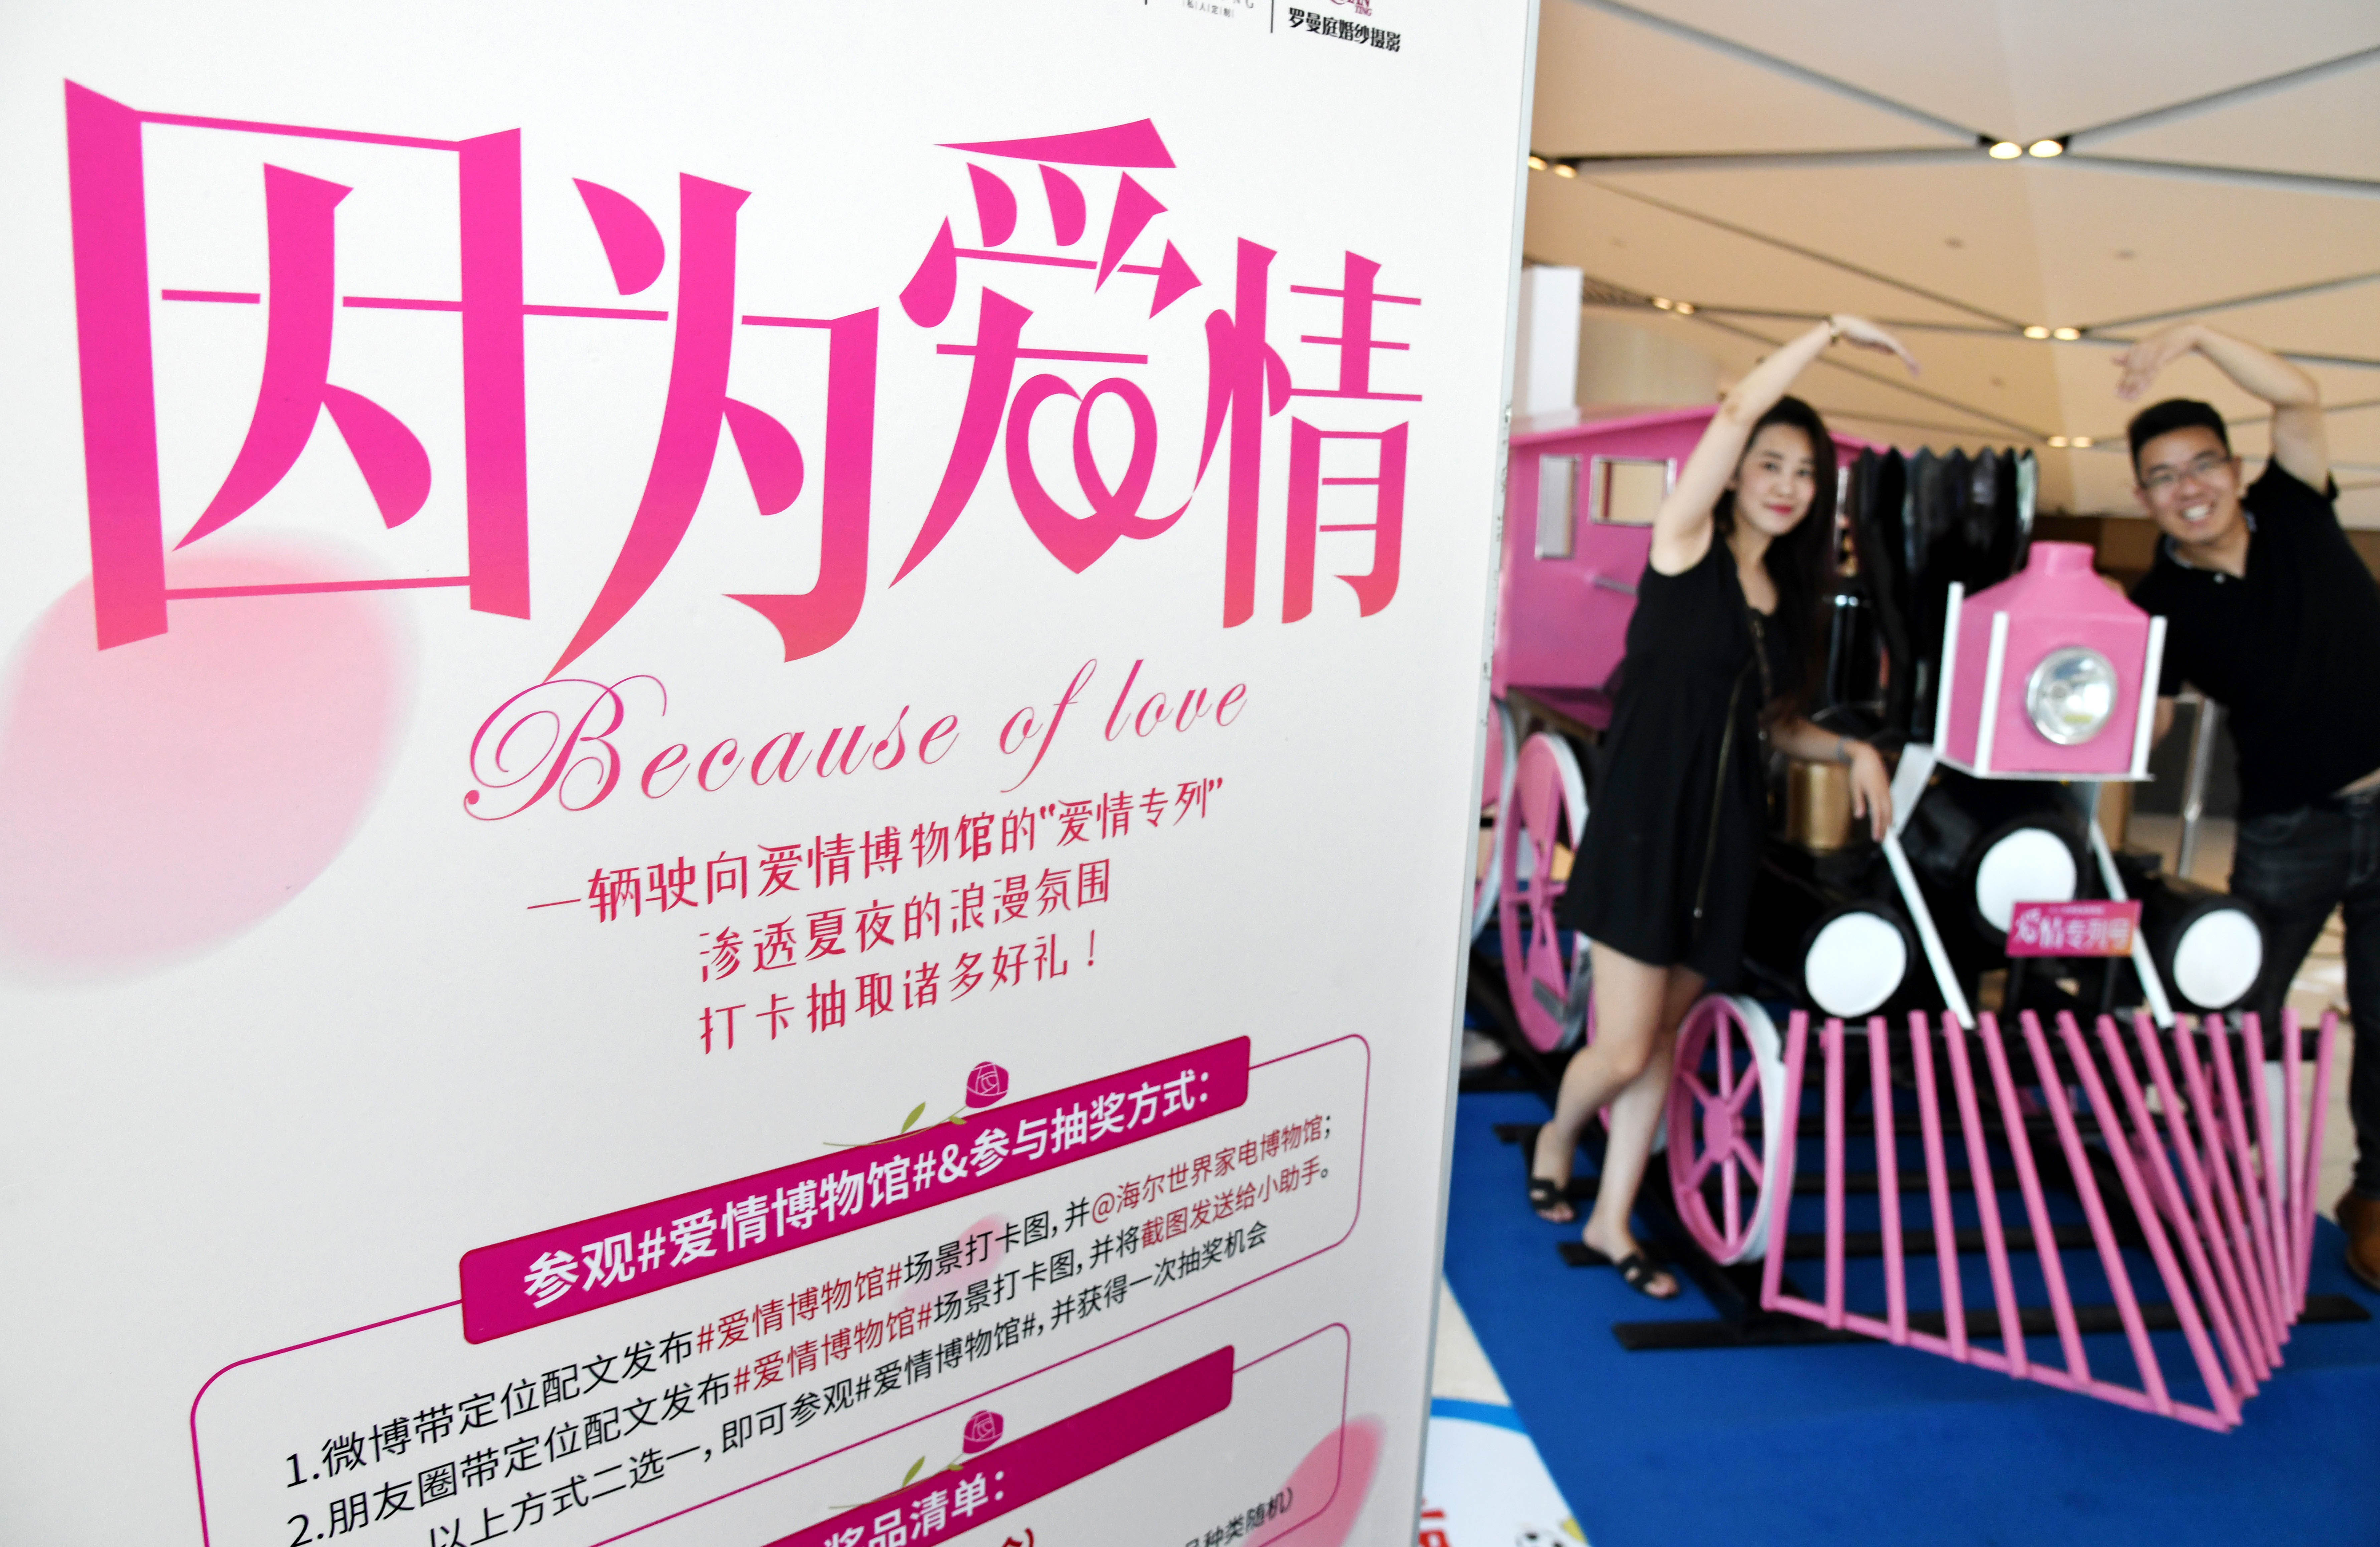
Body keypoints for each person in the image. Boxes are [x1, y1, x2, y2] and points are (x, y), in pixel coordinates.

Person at [1525, 315, 1910, 1297]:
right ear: (1733, 472)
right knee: (1621, 1047)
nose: (1786, 485)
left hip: (1725, 839)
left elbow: (1774, 725)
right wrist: (1827, 332)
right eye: (1770, 464)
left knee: (1659, 1040)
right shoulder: (1684, 545)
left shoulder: (1788, 597)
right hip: (1645, 825)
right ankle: (1558, 1133)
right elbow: (1737, 409)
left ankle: (1613, 1221)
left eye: (1806, 473)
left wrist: (1852, 748)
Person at [2116, 322, 2380, 1292]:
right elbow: (2145, 723)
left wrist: (2194, 336)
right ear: (2143, 498)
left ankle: (2374, 1197)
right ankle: (2218, 1183)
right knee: (2239, 1016)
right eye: (2162, 478)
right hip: (2287, 828)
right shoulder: (2154, 603)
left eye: (2202, 465)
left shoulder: (2295, 507)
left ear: (2234, 469)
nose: (2188, 488)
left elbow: (2298, 394)